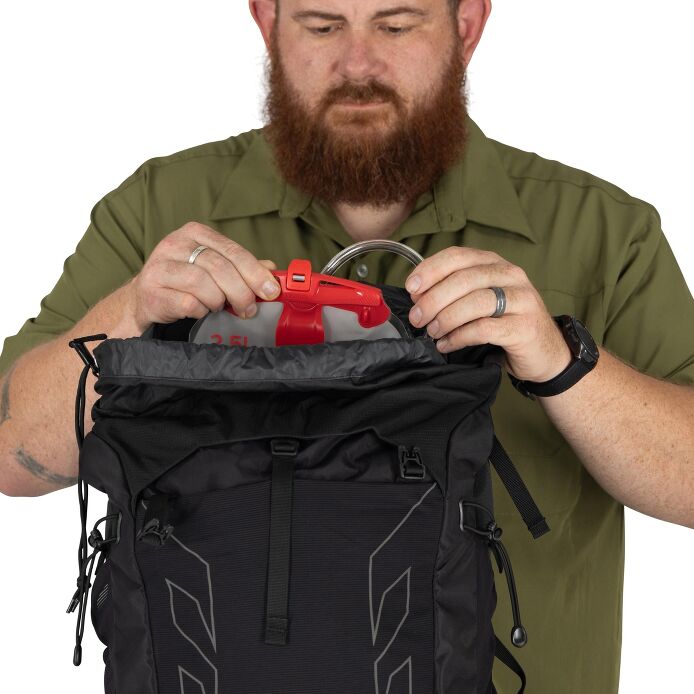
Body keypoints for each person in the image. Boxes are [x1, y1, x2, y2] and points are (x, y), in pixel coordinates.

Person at [0, 0, 692, 691]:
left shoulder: (601, 230)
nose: (358, 64)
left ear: (467, 27)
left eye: (397, 25)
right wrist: (131, 310)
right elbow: (13, 454)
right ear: (267, 23)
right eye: (322, 25)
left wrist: (560, 362)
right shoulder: (159, 210)